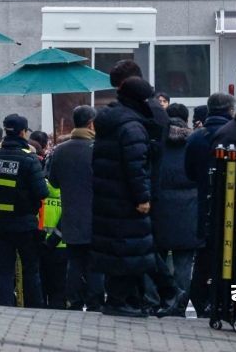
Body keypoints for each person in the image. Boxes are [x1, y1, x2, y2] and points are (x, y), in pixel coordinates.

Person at [108, 60, 181, 317]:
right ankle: (149, 295)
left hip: (141, 189)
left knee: (140, 245)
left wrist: (141, 193)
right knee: (136, 245)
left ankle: (166, 291)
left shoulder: (145, 113)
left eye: (119, 87)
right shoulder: (148, 110)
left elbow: (139, 156)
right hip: (141, 187)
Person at [92, 77, 156, 318]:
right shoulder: (132, 126)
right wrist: (143, 197)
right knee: (128, 249)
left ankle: (123, 298)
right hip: (127, 199)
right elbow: (135, 165)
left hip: (110, 196)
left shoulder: (111, 120)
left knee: (116, 247)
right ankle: (119, 300)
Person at [0, 114, 49, 307]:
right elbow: (42, 192)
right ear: (23, 132)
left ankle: (5, 308)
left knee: (5, 270)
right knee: (30, 270)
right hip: (25, 225)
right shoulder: (29, 159)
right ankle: (34, 308)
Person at [184, 92, 236, 317]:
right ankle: (226, 302)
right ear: (231, 110)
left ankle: (201, 300)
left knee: (204, 258)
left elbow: (190, 172)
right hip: (235, 209)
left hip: (205, 207)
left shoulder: (196, 137)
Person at [48, 105, 104, 311]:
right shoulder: (99, 149)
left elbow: (53, 182)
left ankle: (74, 301)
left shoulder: (60, 150)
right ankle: (95, 302)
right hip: (97, 218)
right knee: (95, 264)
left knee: (74, 262)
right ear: (91, 123)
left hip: (71, 217)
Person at [151, 103, 200, 317]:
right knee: (183, 263)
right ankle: (180, 304)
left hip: (159, 208)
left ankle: (159, 300)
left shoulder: (156, 143)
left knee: (156, 258)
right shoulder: (194, 141)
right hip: (189, 209)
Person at [39, 180, 67, 309]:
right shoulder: (66, 193)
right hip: (61, 247)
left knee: (41, 284)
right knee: (59, 287)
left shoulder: (39, 193)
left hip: (40, 246)